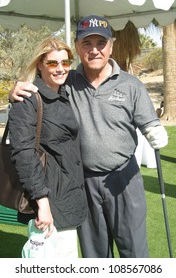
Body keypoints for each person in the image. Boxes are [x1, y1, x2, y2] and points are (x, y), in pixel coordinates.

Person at [10, 15, 168, 258]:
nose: (94, 50)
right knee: (95, 254)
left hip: (124, 178)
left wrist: (155, 130)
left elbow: (149, 123)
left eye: (100, 43)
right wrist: (17, 89)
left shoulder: (130, 84)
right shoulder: (68, 80)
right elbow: (43, 82)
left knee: (134, 252)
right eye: (87, 43)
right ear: (78, 47)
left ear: (111, 47)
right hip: (84, 183)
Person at [8, 37, 87, 258]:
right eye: (52, 63)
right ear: (40, 64)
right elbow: (23, 154)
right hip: (49, 203)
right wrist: (42, 203)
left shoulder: (65, 92)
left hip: (69, 199)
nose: (60, 68)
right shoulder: (28, 98)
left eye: (65, 62)